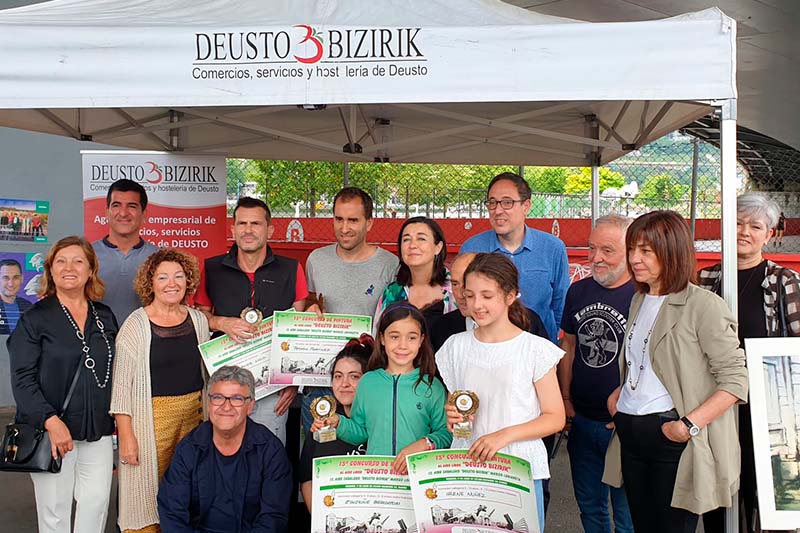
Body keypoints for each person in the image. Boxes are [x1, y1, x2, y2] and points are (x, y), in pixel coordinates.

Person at [602, 210, 748, 533]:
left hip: (671, 435)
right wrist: (620, 396)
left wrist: (687, 426)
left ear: (671, 251)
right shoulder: (639, 299)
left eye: (645, 250)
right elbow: (644, 360)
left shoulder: (703, 305)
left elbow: (736, 378)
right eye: (631, 249)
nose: (634, 259)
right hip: (630, 431)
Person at [436, 253, 565, 532]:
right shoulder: (454, 347)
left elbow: (555, 417)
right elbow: (458, 406)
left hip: (518, 468)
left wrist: (503, 435)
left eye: (487, 296)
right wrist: (452, 416)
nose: (477, 305)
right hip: (467, 463)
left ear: (510, 296)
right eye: (470, 295)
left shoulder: (534, 349)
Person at [697, 193, 800, 532]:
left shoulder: (783, 281)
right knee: (717, 491)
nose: (744, 232)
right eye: (738, 223)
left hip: (767, 407)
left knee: (765, 493)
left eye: (755, 226)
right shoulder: (705, 279)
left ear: (768, 234)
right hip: (713, 402)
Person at [7, 236, 118, 533]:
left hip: (98, 430)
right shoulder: (34, 319)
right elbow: (22, 379)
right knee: (54, 512)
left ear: (90, 270)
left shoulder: (104, 316)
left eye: (78, 261)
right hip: (52, 432)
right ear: (51, 270)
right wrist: (51, 421)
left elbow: (115, 369)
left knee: (96, 505)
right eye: (61, 261)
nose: (69, 267)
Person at [110, 249, 211, 533]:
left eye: (179, 276)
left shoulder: (199, 321)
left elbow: (206, 375)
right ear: (150, 283)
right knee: (147, 495)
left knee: (187, 488)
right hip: (150, 421)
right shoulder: (135, 325)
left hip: (194, 418)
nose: (172, 283)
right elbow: (121, 388)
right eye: (163, 277)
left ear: (188, 281)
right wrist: (126, 437)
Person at [195, 197, 309, 444]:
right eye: (242, 223)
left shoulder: (290, 269)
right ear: (233, 229)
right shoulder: (213, 269)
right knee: (222, 450)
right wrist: (222, 323)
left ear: (270, 230)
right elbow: (200, 317)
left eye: (255, 224)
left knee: (267, 453)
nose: (248, 230)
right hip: (223, 385)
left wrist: (292, 381)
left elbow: (298, 329)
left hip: (272, 387)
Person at [557, 215, 634, 533]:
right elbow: (569, 346)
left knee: (628, 516)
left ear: (631, 251)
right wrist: (565, 399)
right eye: (591, 248)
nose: (596, 258)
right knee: (590, 508)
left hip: (624, 427)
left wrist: (632, 412)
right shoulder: (578, 291)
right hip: (583, 421)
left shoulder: (643, 296)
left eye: (607, 250)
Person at [312, 301, 452, 474]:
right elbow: (361, 432)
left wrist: (424, 444)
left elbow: (446, 433)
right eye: (394, 336)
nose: (403, 345)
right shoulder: (368, 382)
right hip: (377, 479)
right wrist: (338, 423)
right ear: (382, 338)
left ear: (421, 340)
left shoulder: (431, 386)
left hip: (416, 478)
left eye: (412, 337)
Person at [302, 187, 398, 431]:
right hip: (322, 379)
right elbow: (309, 303)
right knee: (320, 447)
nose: (344, 228)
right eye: (339, 219)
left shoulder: (389, 264)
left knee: (367, 449)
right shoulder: (316, 260)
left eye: (353, 220)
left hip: (370, 379)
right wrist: (309, 309)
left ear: (369, 223)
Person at [157, 365, 291, 532]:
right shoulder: (188, 448)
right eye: (218, 397)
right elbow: (172, 513)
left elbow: (273, 516)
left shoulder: (270, 451)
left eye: (237, 399)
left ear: (250, 406)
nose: (226, 407)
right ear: (209, 403)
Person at [460, 172, 569, 344]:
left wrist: (547, 338)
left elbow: (560, 303)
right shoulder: (471, 248)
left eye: (507, 202)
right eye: (492, 202)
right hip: (486, 346)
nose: (498, 210)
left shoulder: (553, 248)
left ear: (526, 206)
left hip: (539, 344)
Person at [299, 335, 371, 512]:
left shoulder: (383, 422)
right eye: (338, 376)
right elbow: (307, 478)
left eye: (354, 376)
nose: (344, 384)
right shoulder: (321, 423)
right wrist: (319, 519)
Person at [430, 252, 547, 351]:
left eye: (486, 295)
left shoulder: (529, 322)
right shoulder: (442, 328)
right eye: (455, 284)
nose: (461, 294)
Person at [92, 179, 159, 325]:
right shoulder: (86, 256)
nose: (123, 213)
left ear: (144, 214)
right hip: (96, 338)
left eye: (132, 206)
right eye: (116, 205)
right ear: (107, 212)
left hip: (145, 338)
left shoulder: (159, 259)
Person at [375, 216, 456, 327]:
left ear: (438, 247)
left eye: (421, 239)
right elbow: (378, 333)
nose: (412, 245)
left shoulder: (456, 289)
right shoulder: (392, 292)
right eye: (406, 239)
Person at [0, 258, 33, 334]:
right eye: (6, 278)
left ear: (22, 279)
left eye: (15, 278)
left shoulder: (28, 306)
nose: (11, 284)